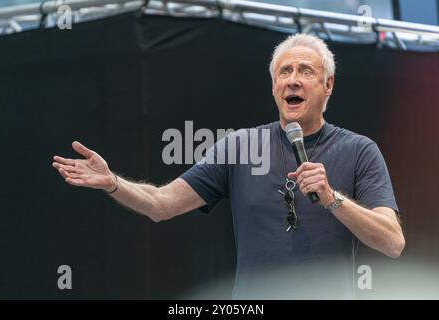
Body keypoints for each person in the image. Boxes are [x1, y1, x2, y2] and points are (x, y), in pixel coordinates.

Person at [52, 33, 405, 299]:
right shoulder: (240, 147)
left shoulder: (359, 150)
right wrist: (113, 181)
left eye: (306, 71)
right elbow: (161, 205)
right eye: (285, 72)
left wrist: (332, 199)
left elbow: (392, 242)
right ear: (274, 87)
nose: (293, 80)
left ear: (328, 85)